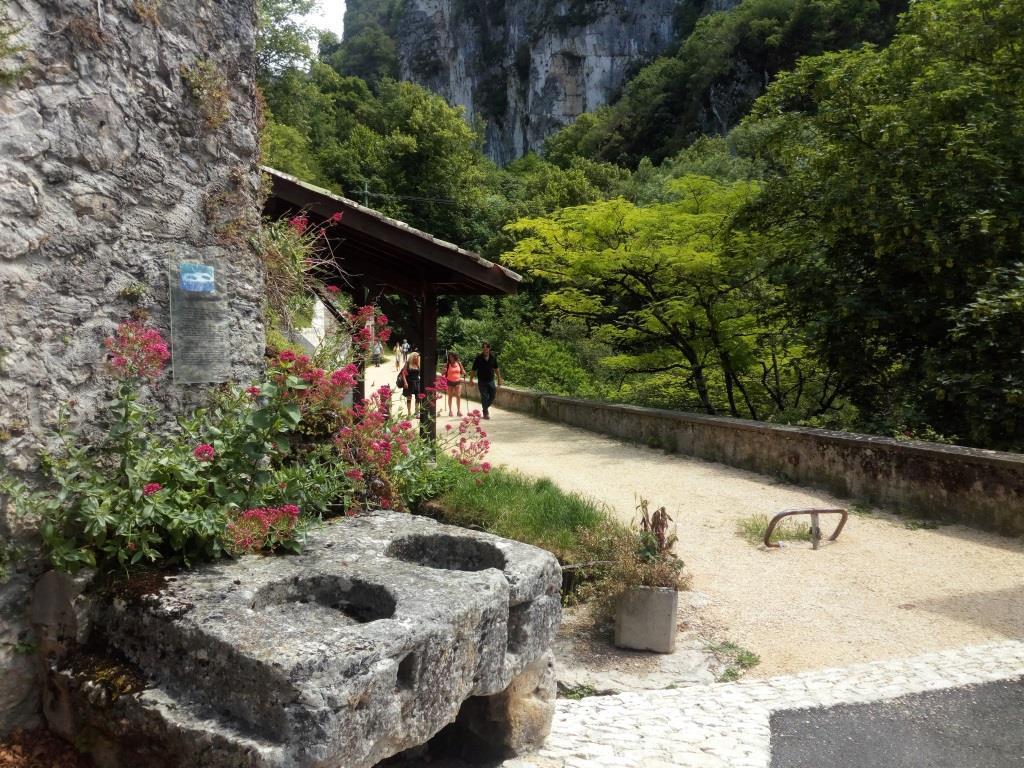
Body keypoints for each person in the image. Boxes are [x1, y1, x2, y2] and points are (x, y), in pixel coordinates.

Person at [469, 341, 502, 420]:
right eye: (483, 347)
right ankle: (485, 413)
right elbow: (473, 370)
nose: (485, 349)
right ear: (482, 349)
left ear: (489, 348)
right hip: (482, 381)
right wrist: (471, 380)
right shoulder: (478, 358)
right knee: (484, 396)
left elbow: (496, 369)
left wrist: (499, 378)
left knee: (492, 396)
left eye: (487, 347)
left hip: (491, 380)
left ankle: (484, 408)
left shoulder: (493, 357)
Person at [443, 351, 466, 417]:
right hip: (449, 381)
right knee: (450, 396)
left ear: (455, 357)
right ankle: (450, 411)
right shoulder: (447, 364)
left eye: (452, 357)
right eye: (450, 357)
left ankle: (459, 411)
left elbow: (463, 371)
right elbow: (442, 373)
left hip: (458, 381)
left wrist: (464, 372)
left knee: (458, 396)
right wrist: (444, 371)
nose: (451, 358)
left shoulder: (459, 363)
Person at [399, 351, 422, 417]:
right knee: (409, 397)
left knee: (418, 397)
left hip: (417, 382)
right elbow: (403, 373)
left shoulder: (418, 364)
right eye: (415, 356)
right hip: (409, 382)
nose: (416, 357)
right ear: (412, 357)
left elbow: (420, 373)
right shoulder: (408, 363)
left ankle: (416, 412)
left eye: (417, 356)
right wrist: (405, 382)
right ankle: (409, 412)